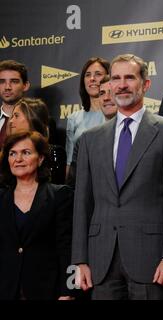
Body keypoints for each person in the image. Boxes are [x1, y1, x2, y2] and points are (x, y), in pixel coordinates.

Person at [71, 54, 163, 300]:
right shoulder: (89, 140)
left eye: (130, 77)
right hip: (101, 260)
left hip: (152, 260)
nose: (122, 84)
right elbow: (82, 204)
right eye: (116, 78)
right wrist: (80, 259)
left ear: (145, 84)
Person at [0, 131, 74, 300]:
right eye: (13, 153)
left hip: (47, 290)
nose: (18, 159)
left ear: (40, 158)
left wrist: (69, 290)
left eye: (26, 153)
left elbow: (67, 249)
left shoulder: (60, 195)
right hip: (5, 289)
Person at [66, 75, 118, 188]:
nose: (106, 98)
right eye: (102, 93)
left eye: (112, 92)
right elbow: (75, 185)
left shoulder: (136, 134)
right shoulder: (85, 139)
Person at [65, 57, 110, 177]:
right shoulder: (74, 118)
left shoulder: (115, 114)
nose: (92, 79)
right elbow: (69, 162)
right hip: (81, 181)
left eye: (98, 74)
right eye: (87, 75)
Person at [8, 98, 66, 184]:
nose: (11, 121)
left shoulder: (53, 152)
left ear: (31, 118)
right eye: (12, 116)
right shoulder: (6, 151)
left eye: (16, 116)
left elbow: (53, 190)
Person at [0, 60, 30, 148]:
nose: (7, 87)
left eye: (14, 81)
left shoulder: (38, 120)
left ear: (25, 85)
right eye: (2, 82)